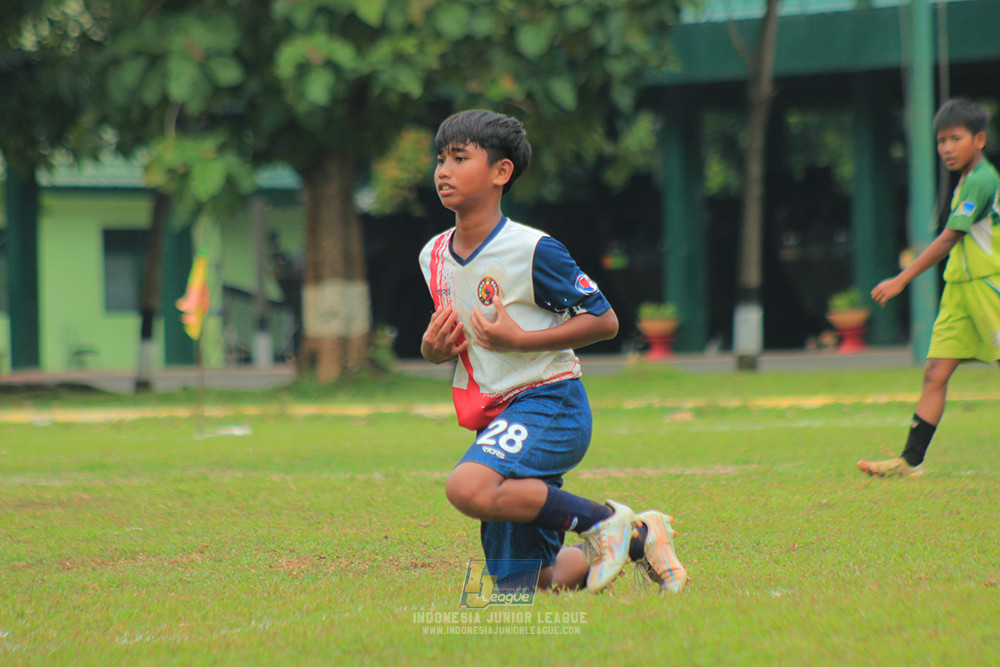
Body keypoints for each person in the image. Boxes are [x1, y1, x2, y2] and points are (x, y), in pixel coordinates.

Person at [419, 109, 687, 593]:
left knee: (466, 487)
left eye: (459, 158)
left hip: (549, 403)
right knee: (524, 582)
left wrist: (520, 340)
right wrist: (433, 350)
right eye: (440, 160)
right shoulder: (433, 255)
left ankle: (602, 521)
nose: (444, 171)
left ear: (501, 172)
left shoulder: (533, 249)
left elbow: (605, 321)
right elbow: (455, 342)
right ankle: (639, 538)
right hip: (496, 418)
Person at [859, 98, 1000, 478]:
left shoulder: (982, 180)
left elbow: (950, 237)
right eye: (941, 141)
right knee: (935, 372)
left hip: (988, 287)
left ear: (980, 139)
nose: (947, 148)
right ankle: (910, 461)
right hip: (959, 290)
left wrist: (901, 279)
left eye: (956, 139)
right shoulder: (967, 180)